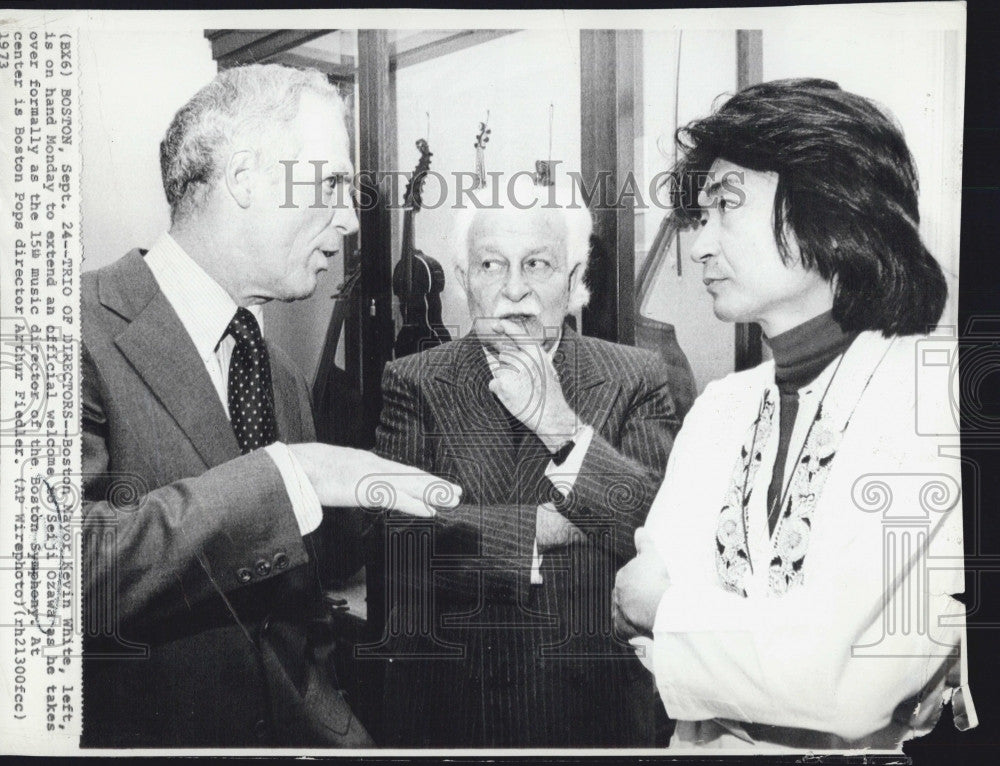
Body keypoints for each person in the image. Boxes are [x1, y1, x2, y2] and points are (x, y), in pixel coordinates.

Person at [80, 64, 460, 748]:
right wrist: (293, 477)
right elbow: (44, 577)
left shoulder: (279, 378)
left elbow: (297, 638)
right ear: (246, 179)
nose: (349, 219)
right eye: (333, 184)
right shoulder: (64, 327)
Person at [613, 78, 974, 750]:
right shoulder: (722, 408)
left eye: (726, 208)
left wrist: (671, 611)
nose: (700, 247)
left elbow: (849, 684)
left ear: (829, 209)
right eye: (700, 216)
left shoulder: (936, 398)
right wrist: (758, 640)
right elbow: (637, 633)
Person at [369, 176, 694, 747]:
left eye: (537, 265)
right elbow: (393, 535)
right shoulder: (415, 380)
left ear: (572, 283)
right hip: (456, 710)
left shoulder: (635, 376)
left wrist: (561, 428)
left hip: (598, 715)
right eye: (492, 266)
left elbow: (655, 528)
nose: (514, 289)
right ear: (465, 281)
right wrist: (534, 531)